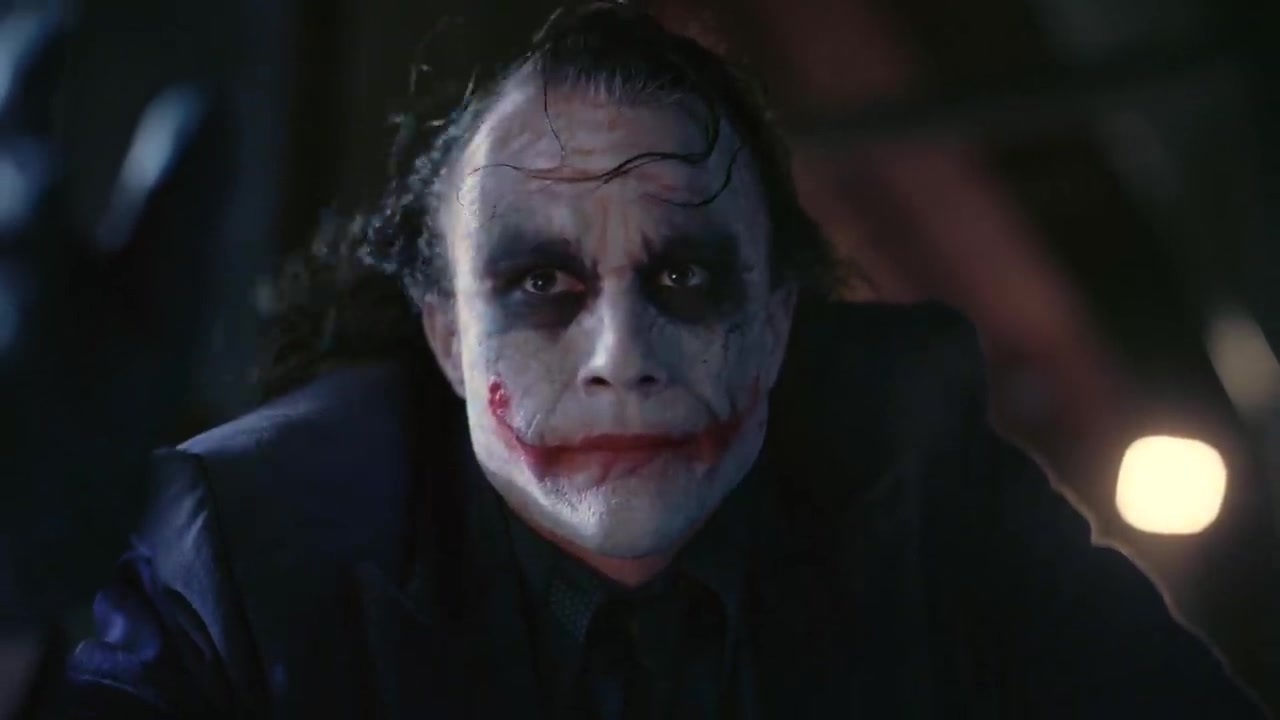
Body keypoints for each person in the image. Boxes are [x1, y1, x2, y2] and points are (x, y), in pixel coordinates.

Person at [61, 3, 1268, 718]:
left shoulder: (920, 486)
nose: (622, 355)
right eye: (541, 285)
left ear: (778, 323)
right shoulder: (242, 547)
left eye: (686, 279)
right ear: (445, 337)